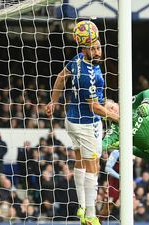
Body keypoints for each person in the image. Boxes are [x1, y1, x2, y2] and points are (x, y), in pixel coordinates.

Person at [45, 34, 119, 225]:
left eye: (98, 48)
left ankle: (82, 207)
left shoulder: (77, 59)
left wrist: (53, 101)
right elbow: (94, 107)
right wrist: (118, 118)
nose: (97, 52)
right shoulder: (89, 76)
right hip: (86, 124)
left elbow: (61, 77)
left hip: (71, 119)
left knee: (79, 161)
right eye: (92, 49)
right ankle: (92, 216)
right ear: (84, 48)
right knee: (93, 167)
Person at [103, 89, 149, 163]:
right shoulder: (114, 130)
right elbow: (104, 144)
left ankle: (130, 147)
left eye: (112, 108)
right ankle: (131, 149)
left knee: (146, 111)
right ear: (107, 118)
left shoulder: (128, 105)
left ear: (116, 104)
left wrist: (146, 103)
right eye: (108, 113)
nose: (112, 112)